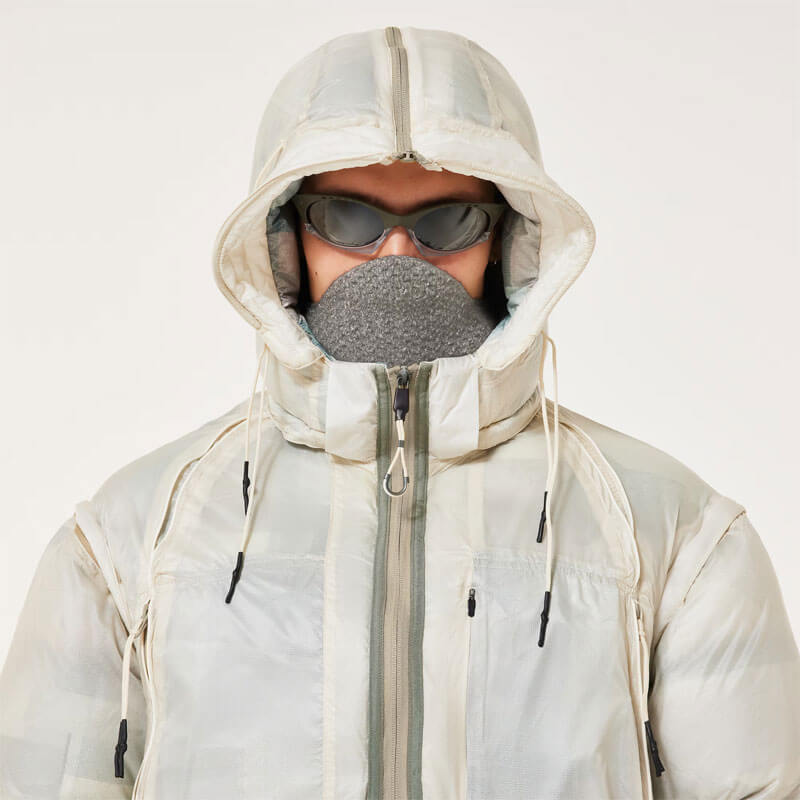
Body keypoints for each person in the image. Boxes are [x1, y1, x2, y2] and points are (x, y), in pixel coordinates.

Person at [1, 23, 798, 800]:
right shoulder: (129, 539)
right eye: (348, 219)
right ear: (286, 238)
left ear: (508, 240)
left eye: (447, 221)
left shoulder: (677, 538)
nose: (396, 256)